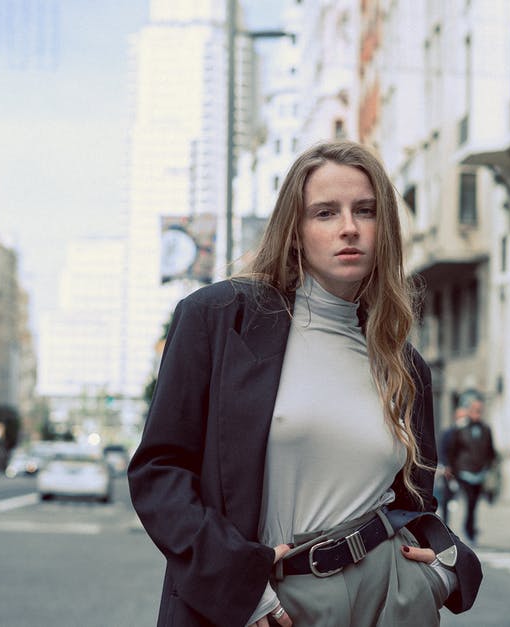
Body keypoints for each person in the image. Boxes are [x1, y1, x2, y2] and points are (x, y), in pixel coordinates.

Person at [127, 141, 482, 627]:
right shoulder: (218, 320)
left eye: (365, 211)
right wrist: (238, 585)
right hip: (273, 602)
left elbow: (414, 502)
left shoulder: (404, 365)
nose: (349, 227)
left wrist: (443, 573)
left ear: (387, 230)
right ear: (295, 231)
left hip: (391, 600)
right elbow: (159, 472)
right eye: (324, 213)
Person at [448, 392, 496, 544]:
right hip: (465, 471)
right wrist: (452, 468)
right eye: (475, 410)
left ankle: (471, 528)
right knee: (469, 501)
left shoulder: (486, 429)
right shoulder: (461, 429)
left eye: (479, 410)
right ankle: (469, 529)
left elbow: (490, 449)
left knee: (474, 503)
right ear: (469, 411)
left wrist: (489, 465)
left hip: (480, 471)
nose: (477, 413)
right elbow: (453, 449)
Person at [436, 408, 467, 524]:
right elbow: (443, 450)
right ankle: (446, 522)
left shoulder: (466, 433)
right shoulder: (449, 432)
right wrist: (445, 466)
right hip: (449, 469)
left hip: (463, 468)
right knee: (446, 496)